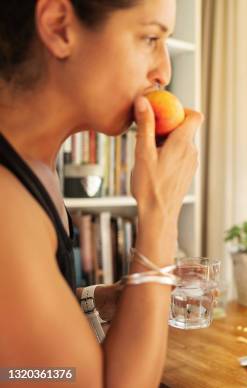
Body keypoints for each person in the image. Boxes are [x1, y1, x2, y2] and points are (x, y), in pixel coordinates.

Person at [0, 0, 202, 386]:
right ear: (60, 28)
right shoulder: (5, 206)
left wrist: (98, 300)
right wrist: (159, 218)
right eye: (149, 38)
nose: (164, 71)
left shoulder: (35, 168)